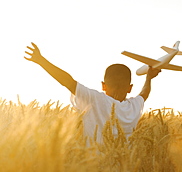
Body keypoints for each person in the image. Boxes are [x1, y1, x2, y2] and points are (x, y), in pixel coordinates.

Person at [24, 42, 161, 143]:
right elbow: (144, 94)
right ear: (130, 88)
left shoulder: (95, 99)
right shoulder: (134, 106)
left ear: (103, 85)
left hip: (94, 166)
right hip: (124, 165)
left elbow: (68, 81)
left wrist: (41, 61)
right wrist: (148, 78)